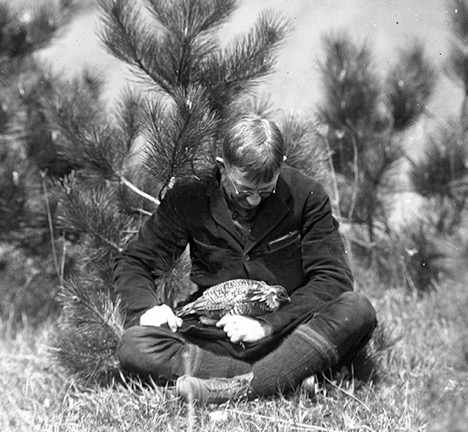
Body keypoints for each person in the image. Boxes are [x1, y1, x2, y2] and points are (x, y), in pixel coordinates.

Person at [113, 114, 377, 404]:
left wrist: (269, 324)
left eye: (266, 191)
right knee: (134, 346)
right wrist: (147, 310)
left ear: (281, 164)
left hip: (289, 335)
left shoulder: (307, 195)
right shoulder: (189, 195)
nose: (253, 200)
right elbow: (135, 261)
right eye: (243, 190)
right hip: (214, 338)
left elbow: (333, 279)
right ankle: (287, 378)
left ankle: (235, 386)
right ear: (222, 166)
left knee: (357, 309)